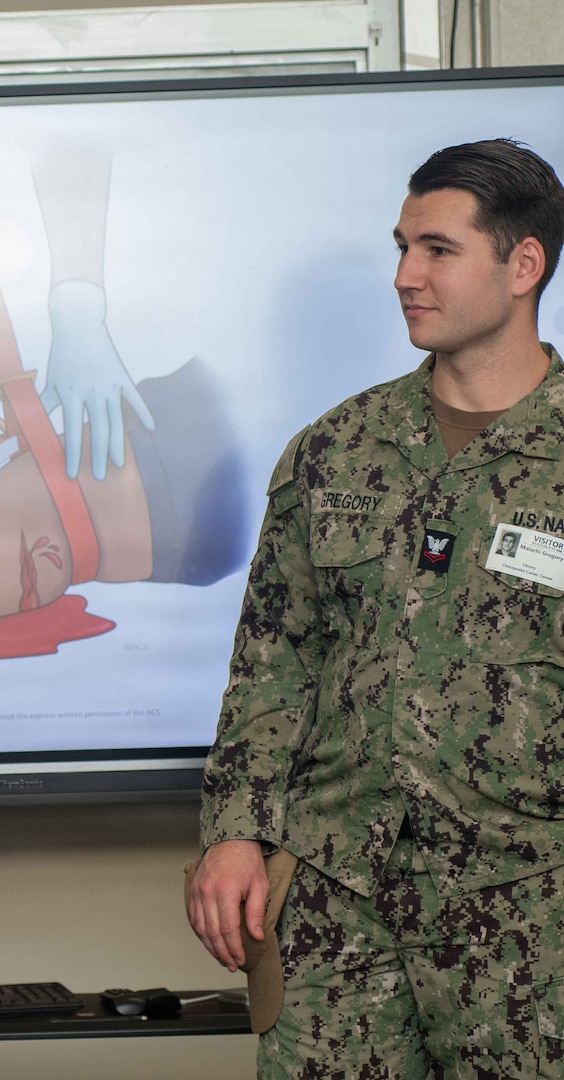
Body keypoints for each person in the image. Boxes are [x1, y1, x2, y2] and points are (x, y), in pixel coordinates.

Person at [186, 139, 564, 1078]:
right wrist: (233, 832)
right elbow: (272, 663)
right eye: (401, 248)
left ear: (524, 264)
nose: (405, 276)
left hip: (530, 911)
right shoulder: (336, 450)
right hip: (335, 904)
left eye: (438, 250)